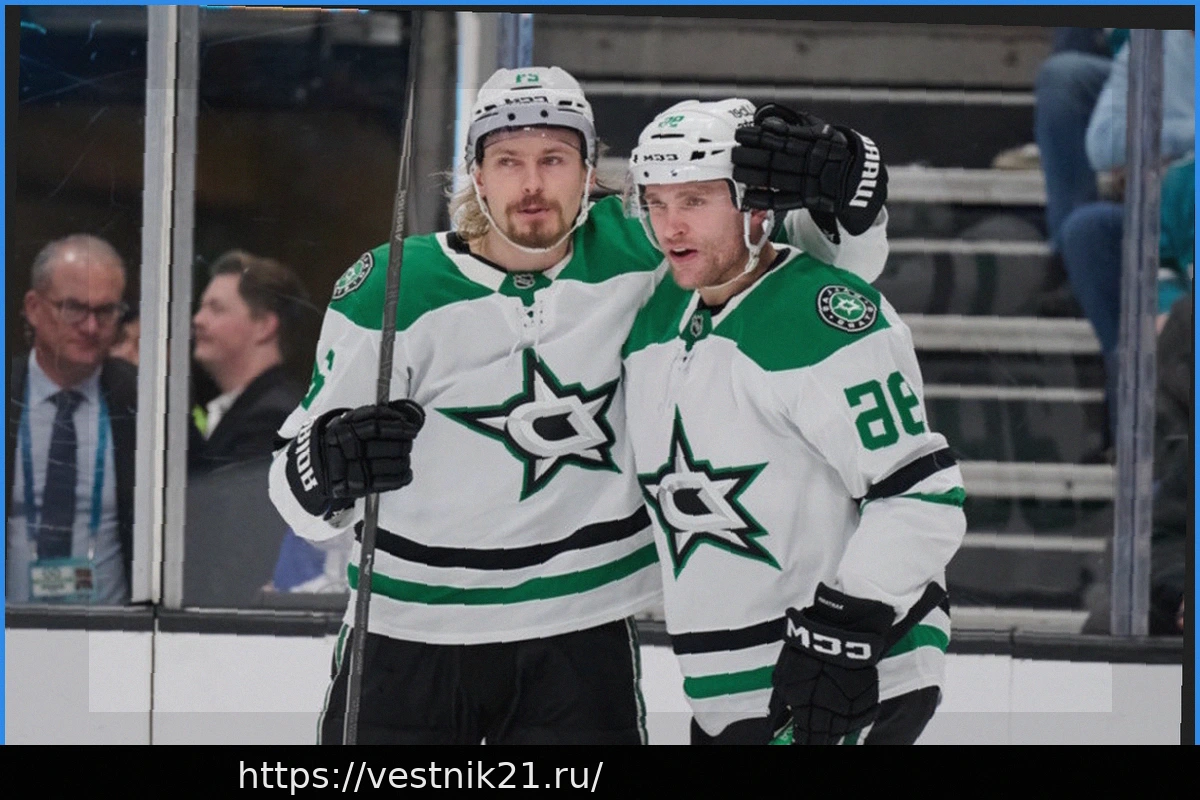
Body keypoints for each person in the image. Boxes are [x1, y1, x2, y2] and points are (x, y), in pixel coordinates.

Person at [267, 66, 890, 745]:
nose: (532, 184)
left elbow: (823, 272)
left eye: (554, 159)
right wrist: (323, 467)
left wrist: (851, 191)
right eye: (508, 161)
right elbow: (297, 498)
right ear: (476, 174)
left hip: (579, 637)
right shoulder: (391, 288)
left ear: (590, 171)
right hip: (405, 636)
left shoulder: (647, 253)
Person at [621, 99, 966, 745]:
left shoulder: (824, 316)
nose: (671, 225)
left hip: (844, 674)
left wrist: (845, 627)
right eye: (656, 202)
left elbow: (921, 495)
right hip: (725, 691)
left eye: (694, 200)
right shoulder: (657, 315)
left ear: (756, 207)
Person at [6, 234, 137, 606]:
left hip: (115, 631)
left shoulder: (142, 398)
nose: (91, 327)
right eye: (74, 308)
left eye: (106, 311)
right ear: (34, 308)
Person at [189, 250, 310, 473]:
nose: (197, 320)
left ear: (264, 325)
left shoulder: (272, 419)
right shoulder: (261, 407)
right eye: (201, 307)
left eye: (216, 308)